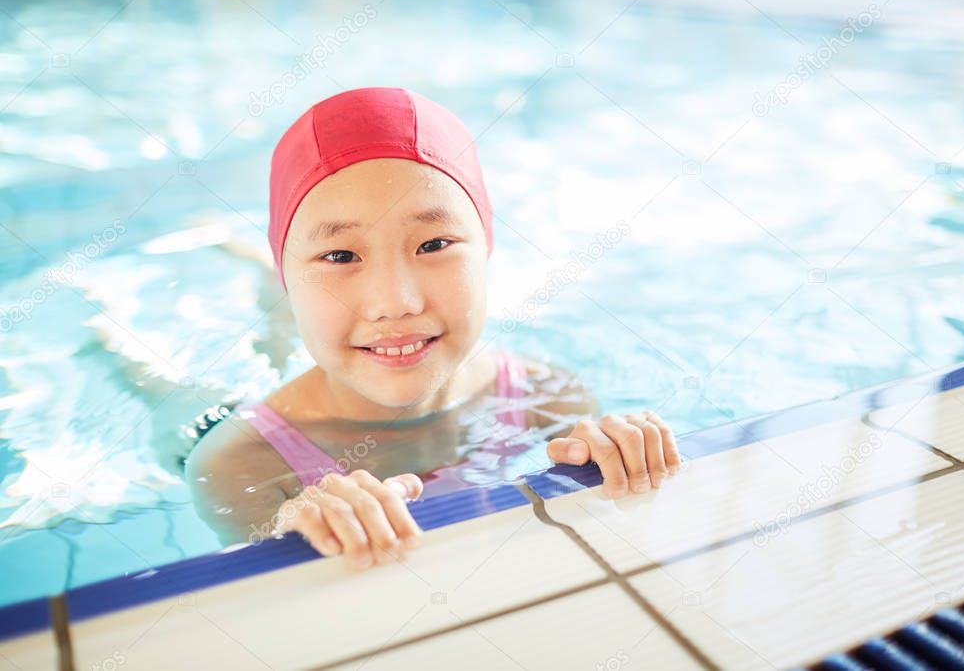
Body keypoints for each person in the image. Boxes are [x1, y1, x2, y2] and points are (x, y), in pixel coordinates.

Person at [185, 87, 683, 570]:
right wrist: (290, 535)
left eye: (434, 245)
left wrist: (617, 460)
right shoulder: (239, 464)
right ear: (289, 278)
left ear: (486, 248)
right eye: (339, 255)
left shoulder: (545, 397)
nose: (395, 303)